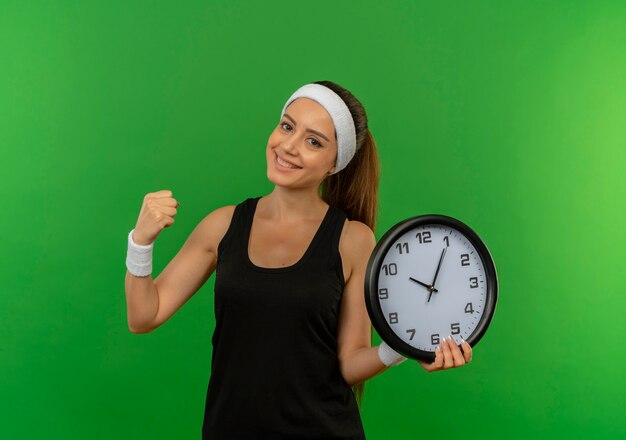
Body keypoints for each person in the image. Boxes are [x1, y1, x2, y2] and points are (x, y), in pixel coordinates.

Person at [124, 81, 473, 439]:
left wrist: (400, 348)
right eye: (287, 126)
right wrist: (141, 242)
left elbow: (349, 362)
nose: (288, 146)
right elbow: (143, 316)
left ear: (335, 163)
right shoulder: (222, 225)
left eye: (313, 141)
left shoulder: (352, 239)